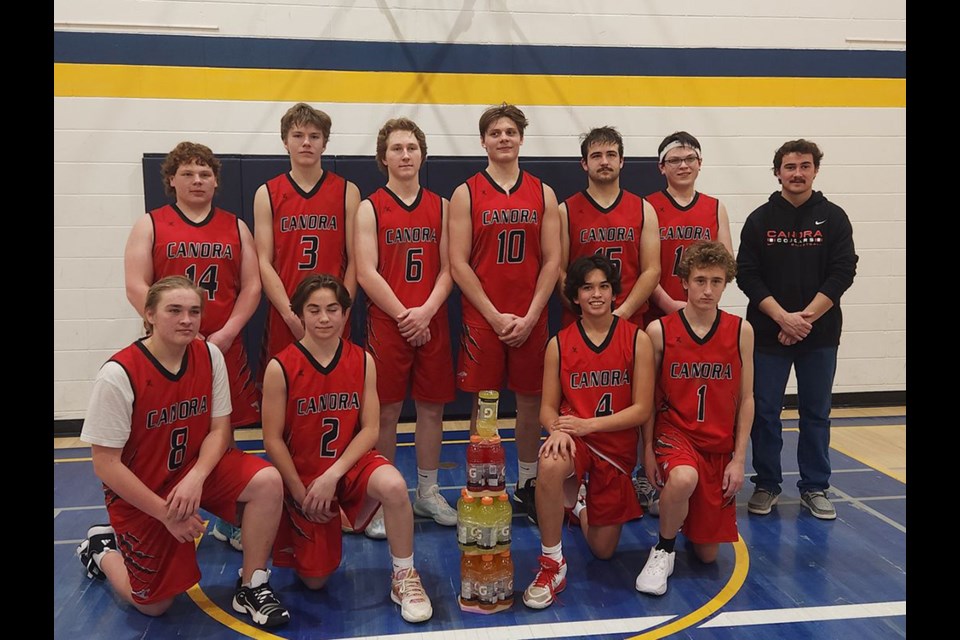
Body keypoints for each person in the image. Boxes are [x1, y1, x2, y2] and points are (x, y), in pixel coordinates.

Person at [76, 276, 290, 628]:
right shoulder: (118, 374)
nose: (186, 320)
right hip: (142, 490)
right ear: (149, 314)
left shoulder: (208, 354)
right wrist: (165, 512)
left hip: (194, 471)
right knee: (155, 605)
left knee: (267, 481)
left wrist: (196, 478)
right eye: (174, 310)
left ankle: (252, 584)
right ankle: (101, 551)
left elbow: (220, 430)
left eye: (194, 311)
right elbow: (105, 464)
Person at [261, 274, 434, 624]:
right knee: (315, 580)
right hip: (304, 476)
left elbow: (370, 429)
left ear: (344, 313)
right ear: (299, 315)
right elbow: (272, 440)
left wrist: (334, 474)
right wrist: (298, 490)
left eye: (332, 309)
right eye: (314, 310)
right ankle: (331, 519)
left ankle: (404, 576)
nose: (324, 318)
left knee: (395, 486)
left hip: (346, 464)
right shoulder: (280, 367)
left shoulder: (363, 360)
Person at [123, 141, 262, 551]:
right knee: (167, 428)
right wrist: (172, 329)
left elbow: (251, 285)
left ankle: (230, 515)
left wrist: (229, 331)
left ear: (216, 181)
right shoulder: (150, 224)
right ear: (171, 180)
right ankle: (162, 509)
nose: (197, 180)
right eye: (188, 173)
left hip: (222, 342)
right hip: (168, 348)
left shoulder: (236, 226)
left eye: (205, 173)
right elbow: (136, 285)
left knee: (226, 430)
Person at [449, 103, 561, 524]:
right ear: (483, 141)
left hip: (530, 316)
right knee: (486, 403)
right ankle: (486, 482)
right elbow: (458, 262)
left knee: (532, 402)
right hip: (485, 317)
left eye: (510, 131)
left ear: (521, 138)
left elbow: (552, 260)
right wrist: (495, 316)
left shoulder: (542, 191)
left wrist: (531, 315)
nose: (503, 138)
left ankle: (528, 483)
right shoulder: (467, 192)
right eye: (495, 132)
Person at [522, 254, 655, 609]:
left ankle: (579, 504)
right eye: (587, 288)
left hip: (615, 449)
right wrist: (557, 429)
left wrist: (587, 424)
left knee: (603, 550)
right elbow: (547, 408)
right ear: (575, 296)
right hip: (575, 442)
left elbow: (642, 409)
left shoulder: (637, 340)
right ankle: (552, 563)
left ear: (614, 293)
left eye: (603, 287)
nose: (596, 294)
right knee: (550, 461)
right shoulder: (560, 343)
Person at [736, 139, 857, 520]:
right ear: (778, 172)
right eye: (790, 167)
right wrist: (781, 318)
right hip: (768, 334)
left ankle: (815, 486)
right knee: (766, 412)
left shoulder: (834, 218)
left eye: (805, 166)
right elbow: (748, 277)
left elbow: (843, 272)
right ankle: (767, 484)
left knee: (815, 412)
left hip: (818, 335)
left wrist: (803, 319)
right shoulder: (759, 219)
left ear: (815, 171)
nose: (798, 173)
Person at [355, 118, 457, 538]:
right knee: (387, 413)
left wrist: (427, 311)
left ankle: (428, 492)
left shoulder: (443, 205)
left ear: (422, 154)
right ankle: (382, 498)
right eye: (397, 149)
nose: (405, 155)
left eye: (412, 148)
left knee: (433, 408)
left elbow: (452, 268)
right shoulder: (369, 206)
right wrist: (406, 316)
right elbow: (365, 271)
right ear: (384, 158)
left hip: (431, 319)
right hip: (388, 321)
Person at [635, 242, 754, 596]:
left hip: (718, 444)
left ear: (725, 283)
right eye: (700, 280)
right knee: (684, 478)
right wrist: (647, 453)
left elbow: (747, 399)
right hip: (675, 435)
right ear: (684, 281)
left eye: (716, 281)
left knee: (706, 555)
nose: (707, 290)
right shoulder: (659, 331)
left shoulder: (740, 331)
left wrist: (739, 458)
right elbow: (646, 400)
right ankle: (664, 549)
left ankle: (683, 515)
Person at [638, 131, 734, 516]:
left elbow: (727, 265)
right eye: (675, 159)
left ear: (700, 164)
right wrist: (669, 303)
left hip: (699, 319)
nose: (683, 164)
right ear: (662, 167)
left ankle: (695, 469)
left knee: (692, 398)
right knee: (648, 396)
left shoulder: (714, 208)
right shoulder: (648, 206)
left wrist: (696, 306)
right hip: (659, 315)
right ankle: (647, 474)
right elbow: (647, 266)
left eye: (689, 158)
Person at [254, 102, 361, 364]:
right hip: (286, 310)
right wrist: (290, 315)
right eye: (298, 136)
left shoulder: (347, 191)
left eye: (314, 136)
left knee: (336, 387)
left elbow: (356, 259)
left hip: (332, 311)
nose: (306, 143)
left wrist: (341, 310)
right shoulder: (267, 193)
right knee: (284, 386)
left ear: (324, 144)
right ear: (285, 141)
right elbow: (263, 262)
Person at [559, 126, 660, 328]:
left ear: (621, 161)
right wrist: (585, 312)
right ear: (584, 163)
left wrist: (623, 312)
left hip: (628, 318)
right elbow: (559, 271)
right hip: (580, 321)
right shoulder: (565, 211)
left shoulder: (643, 209)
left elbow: (652, 270)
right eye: (596, 156)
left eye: (611, 155)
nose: (604, 162)